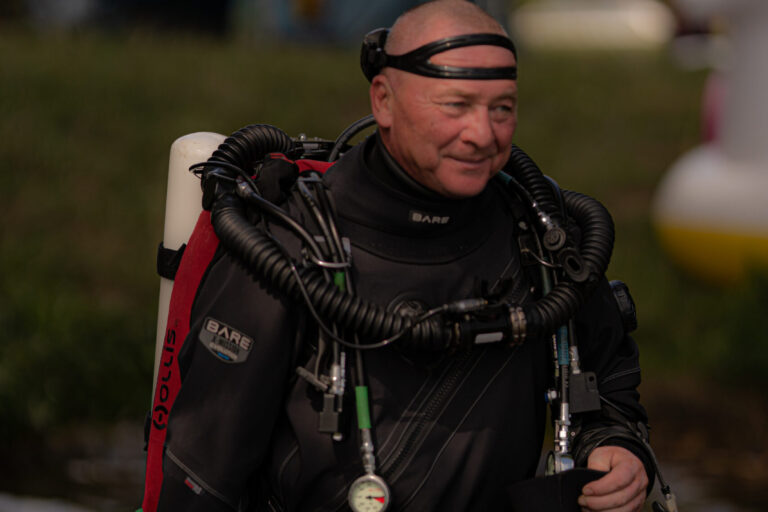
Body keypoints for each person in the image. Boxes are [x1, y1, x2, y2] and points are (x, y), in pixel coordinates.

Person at [148, 1, 656, 511]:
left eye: (502, 108)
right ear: (384, 101)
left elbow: (607, 379)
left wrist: (616, 445)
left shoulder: (540, 237)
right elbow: (202, 480)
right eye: (455, 105)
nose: (482, 134)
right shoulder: (289, 249)